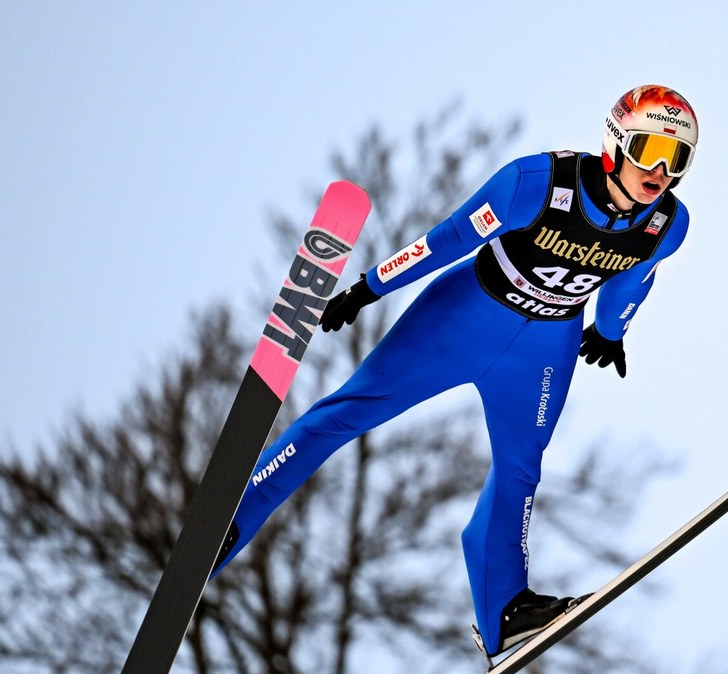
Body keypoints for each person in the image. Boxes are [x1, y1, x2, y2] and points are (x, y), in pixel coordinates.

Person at [211, 84, 699, 657]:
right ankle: (230, 523)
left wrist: (612, 332)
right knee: (348, 412)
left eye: (678, 158)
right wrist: (369, 287)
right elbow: (447, 240)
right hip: (465, 317)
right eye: (649, 150)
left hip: (544, 348)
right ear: (617, 143)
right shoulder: (537, 183)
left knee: (519, 472)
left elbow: (635, 274)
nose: (661, 170)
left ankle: (507, 616)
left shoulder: (668, 223)